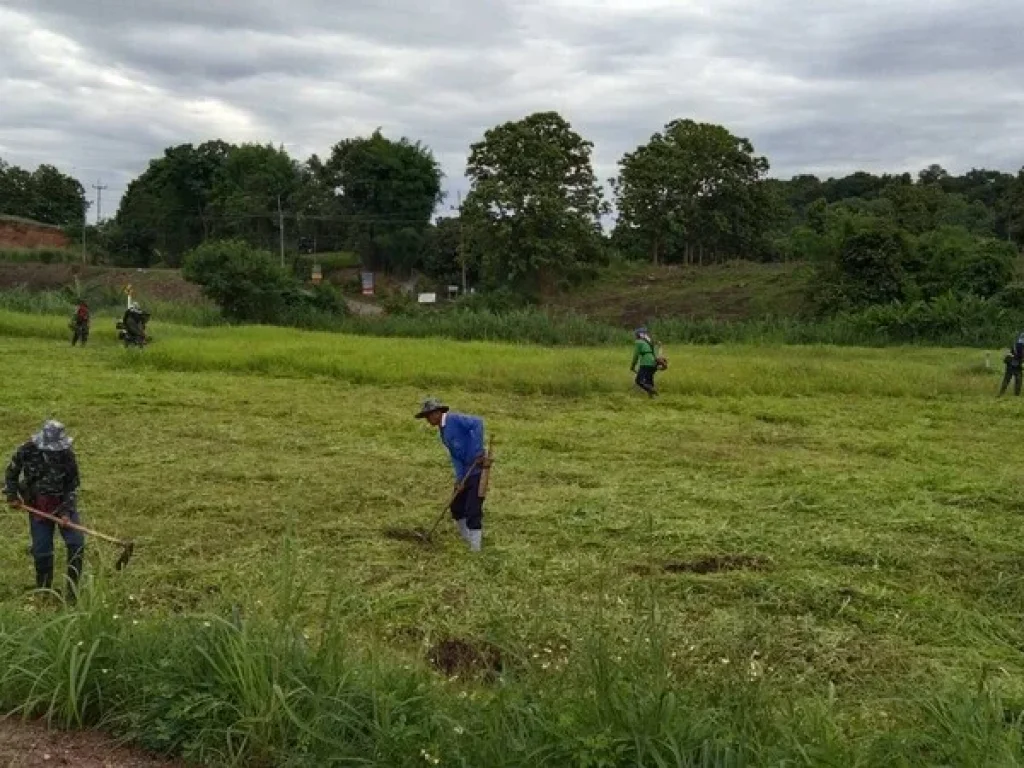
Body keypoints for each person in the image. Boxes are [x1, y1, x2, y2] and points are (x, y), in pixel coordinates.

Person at [4, 421, 85, 600]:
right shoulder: (26, 450)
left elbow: (72, 486)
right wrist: (12, 495)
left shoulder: (67, 456)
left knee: (76, 545)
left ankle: (72, 593)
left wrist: (65, 512)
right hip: (37, 505)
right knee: (42, 551)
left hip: (63, 503)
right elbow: (11, 473)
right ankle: (44, 592)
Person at [415, 398, 490, 552]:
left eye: (428, 416)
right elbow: (455, 456)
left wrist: (477, 451)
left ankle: (476, 548)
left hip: (477, 469)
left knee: (472, 508)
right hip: (465, 470)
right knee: (456, 506)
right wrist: (460, 478)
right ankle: (466, 537)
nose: (427, 420)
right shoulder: (442, 432)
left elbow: (478, 423)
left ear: (437, 413)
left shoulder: (453, 419)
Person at [630, 327, 659, 397]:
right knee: (649, 381)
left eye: (636, 335)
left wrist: (632, 366)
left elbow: (635, 356)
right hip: (653, 363)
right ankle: (652, 398)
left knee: (638, 381)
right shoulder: (649, 342)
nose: (635, 336)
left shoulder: (639, 342)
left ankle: (652, 391)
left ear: (639, 335)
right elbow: (655, 354)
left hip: (645, 363)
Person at [999, 331, 1024, 396]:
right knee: (1018, 380)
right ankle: (1016, 395)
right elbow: (1020, 355)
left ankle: (1001, 393)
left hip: (1011, 363)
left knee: (1007, 380)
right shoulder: (1020, 345)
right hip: (1014, 364)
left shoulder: (1016, 344)